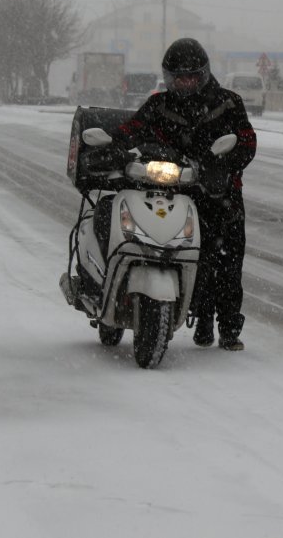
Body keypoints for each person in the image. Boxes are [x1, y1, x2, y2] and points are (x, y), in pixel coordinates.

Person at [107, 38, 257, 351]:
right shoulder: (159, 105)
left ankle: (229, 327)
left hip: (222, 196)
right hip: (176, 194)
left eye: (190, 76)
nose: (184, 83)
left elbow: (246, 141)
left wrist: (224, 166)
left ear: (203, 74)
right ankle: (198, 318)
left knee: (228, 263)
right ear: (169, 77)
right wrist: (113, 147)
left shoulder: (228, 103)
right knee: (192, 257)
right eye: (178, 77)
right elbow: (131, 128)